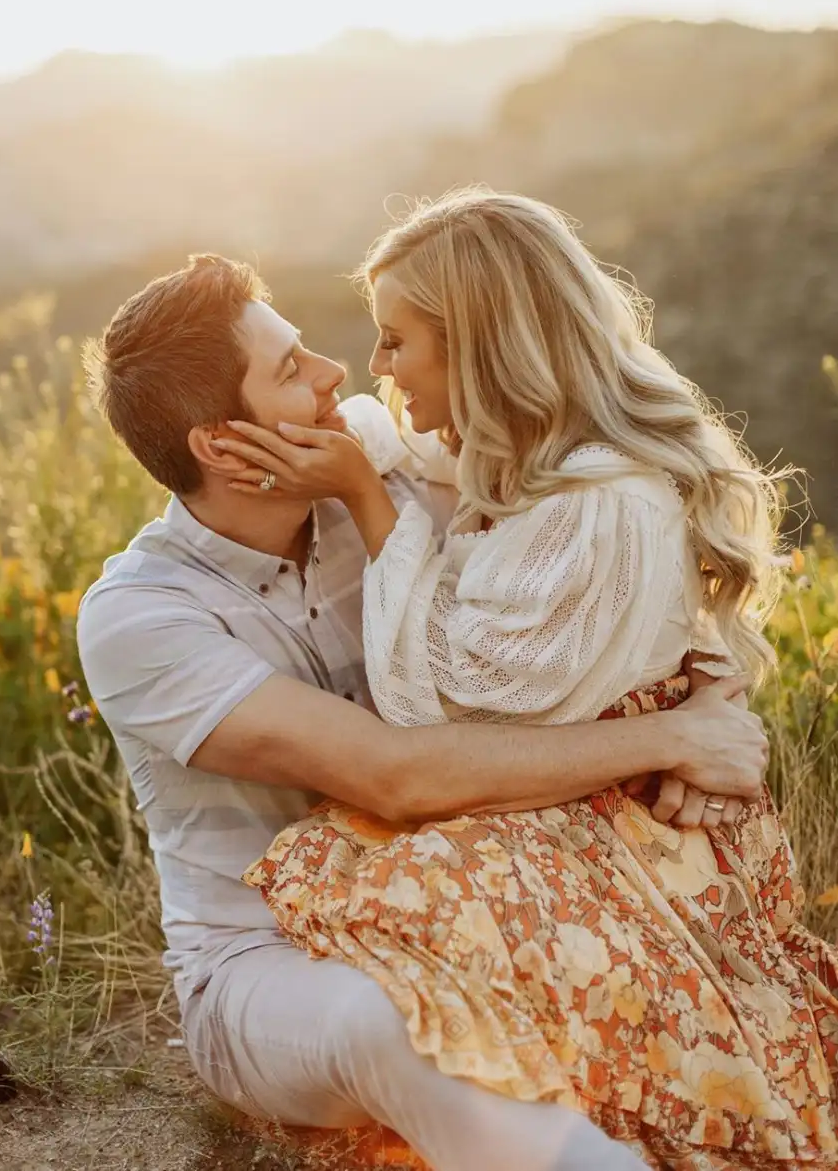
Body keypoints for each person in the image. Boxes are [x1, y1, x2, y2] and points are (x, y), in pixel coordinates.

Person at [76, 252, 769, 1171]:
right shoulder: (143, 616)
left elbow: (593, 551)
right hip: (268, 965)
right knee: (393, 1020)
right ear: (220, 445)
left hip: (473, 902)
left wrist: (709, 689)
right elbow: (393, 777)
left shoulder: (380, 456)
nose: (337, 374)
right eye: (289, 371)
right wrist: (670, 737)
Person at [209, 191, 838, 1171]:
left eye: (395, 342)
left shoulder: (602, 501)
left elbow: (447, 705)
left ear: (481, 346)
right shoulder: (515, 445)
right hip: (575, 784)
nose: (373, 369)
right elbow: (394, 434)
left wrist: (366, 502)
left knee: (400, 903)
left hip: (615, 817)